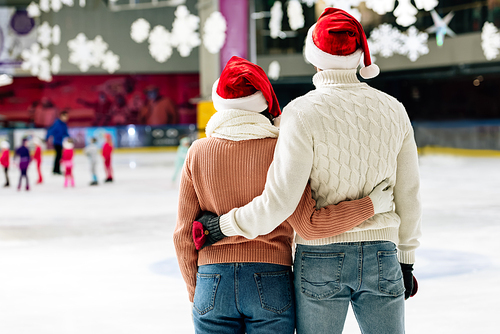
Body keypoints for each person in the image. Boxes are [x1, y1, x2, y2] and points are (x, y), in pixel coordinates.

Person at [197, 9, 422, 334]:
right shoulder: (394, 109)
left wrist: (221, 227)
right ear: (360, 57)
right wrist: (407, 256)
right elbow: (409, 193)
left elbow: (279, 202)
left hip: (319, 259)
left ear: (314, 57)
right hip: (381, 255)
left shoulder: (299, 113)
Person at [173, 56, 395, 334]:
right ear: (263, 102)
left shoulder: (197, 152)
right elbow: (309, 223)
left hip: (211, 278)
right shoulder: (282, 150)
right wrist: (369, 205)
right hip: (270, 277)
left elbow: (183, 234)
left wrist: (197, 291)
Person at [45, 110, 69, 175]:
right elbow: (51, 130)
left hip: (61, 142)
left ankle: (56, 169)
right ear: (62, 116)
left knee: (59, 156)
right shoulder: (57, 123)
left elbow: (65, 132)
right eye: (65, 116)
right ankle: (56, 170)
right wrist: (47, 137)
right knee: (58, 156)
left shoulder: (64, 124)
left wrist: (69, 137)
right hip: (57, 142)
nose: (67, 118)